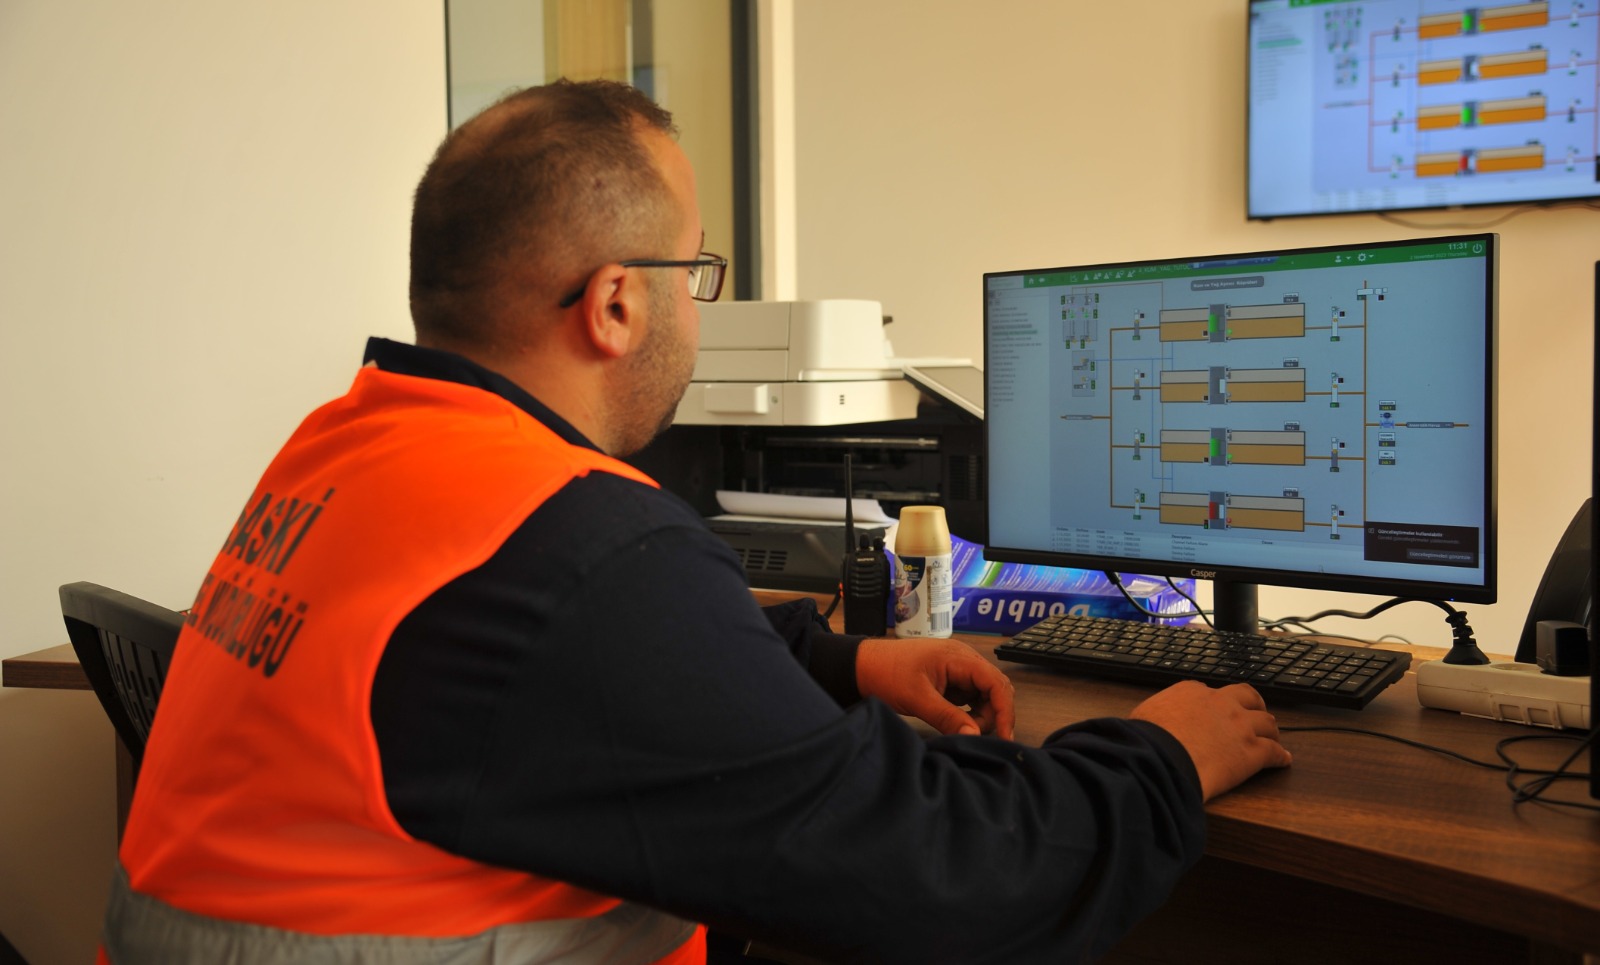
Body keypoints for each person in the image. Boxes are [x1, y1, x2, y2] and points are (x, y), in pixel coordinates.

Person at [102, 79, 1291, 965]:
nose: (699, 309)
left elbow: (512, 661)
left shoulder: (350, 449)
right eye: (695, 272)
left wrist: (839, 659)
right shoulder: (583, 545)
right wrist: (1163, 757)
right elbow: (945, 874)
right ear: (617, 301)